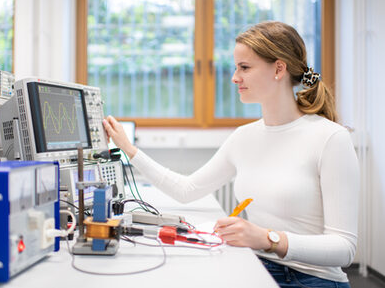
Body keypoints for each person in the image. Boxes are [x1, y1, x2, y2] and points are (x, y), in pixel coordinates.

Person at [102, 21, 359, 288]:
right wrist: (129, 150)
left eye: (244, 67)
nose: (235, 77)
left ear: (278, 69)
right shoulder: (244, 137)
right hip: (258, 267)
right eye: (236, 67)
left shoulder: (330, 138)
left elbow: (344, 248)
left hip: (313, 279)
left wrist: (268, 239)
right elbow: (187, 189)